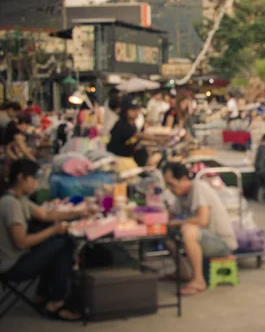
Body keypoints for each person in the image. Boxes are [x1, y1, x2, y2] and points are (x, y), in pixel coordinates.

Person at [0, 159, 89, 321]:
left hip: (20, 258)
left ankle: (46, 296)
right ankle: (56, 301)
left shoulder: (19, 199)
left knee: (60, 246)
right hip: (12, 266)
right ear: (21, 178)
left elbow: (46, 214)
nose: (35, 183)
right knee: (63, 243)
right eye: (33, 179)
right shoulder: (10, 204)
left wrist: (79, 213)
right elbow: (21, 242)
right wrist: (53, 230)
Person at [163, 162, 238, 296]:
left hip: (221, 243)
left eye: (172, 184)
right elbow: (169, 216)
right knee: (164, 231)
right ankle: (183, 271)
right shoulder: (181, 195)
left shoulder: (199, 187)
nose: (170, 189)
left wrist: (176, 222)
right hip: (206, 239)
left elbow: (202, 220)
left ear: (184, 180)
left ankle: (199, 280)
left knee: (189, 230)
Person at [107, 96, 158, 166]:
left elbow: (134, 142)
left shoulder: (132, 123)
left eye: (137, 109)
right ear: (125, 110)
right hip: (119, 160)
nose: (136, 112)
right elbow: (139, 135)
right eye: (133, 109)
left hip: (128, 157)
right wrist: (157, 138)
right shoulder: (122, 124)